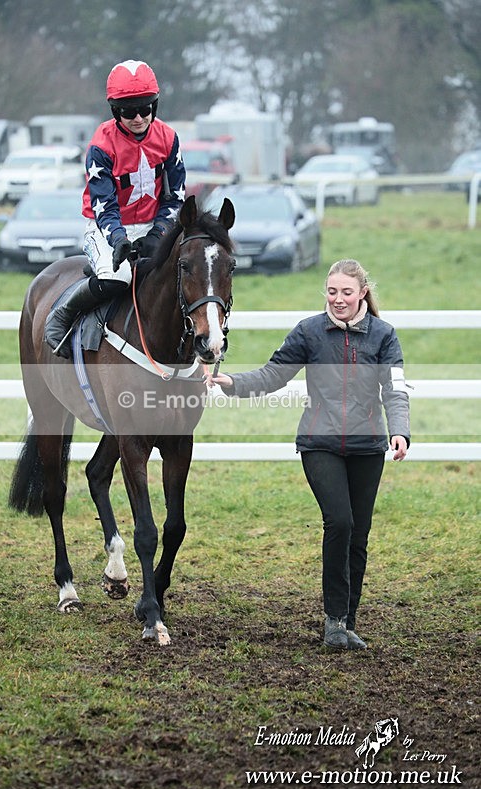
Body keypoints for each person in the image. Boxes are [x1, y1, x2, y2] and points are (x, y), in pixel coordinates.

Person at [206, 259, 410, 650]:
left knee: (359, 535)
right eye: (331, 292)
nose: (338, 299)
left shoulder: (384, 336)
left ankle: (349, 620)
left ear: (362, 293)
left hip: (369, 446)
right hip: (319, 443)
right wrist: (231, 383)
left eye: (346, 292)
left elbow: (395, 389)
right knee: (340, 522)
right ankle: (334, 621)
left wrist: (400, 430)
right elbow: (272, 375)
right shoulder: (309, 332)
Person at [45, 59, 186, 357]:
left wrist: (159, 233)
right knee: (117, 278)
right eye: (128, 111)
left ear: (155, 106)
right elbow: (104, 204)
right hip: (106, 227)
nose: (138, 118)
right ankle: (63, 314)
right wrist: (119, 240)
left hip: (153, 225)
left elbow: (176, 198)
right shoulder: (101, 146)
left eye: (145, 109)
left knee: (186, 274)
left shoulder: (169, 139)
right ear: (114, 111)